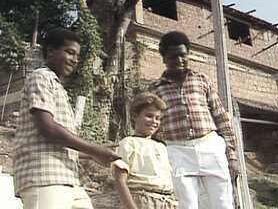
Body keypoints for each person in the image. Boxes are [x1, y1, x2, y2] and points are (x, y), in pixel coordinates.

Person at [13, 28, 120, 209]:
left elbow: (60, 143)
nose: (75, 60)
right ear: (50, 51)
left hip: (66, 177)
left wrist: (96, 153)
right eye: (70, 52)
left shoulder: (59, 88)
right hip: (43, 175)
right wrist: (93, 149)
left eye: (77, 56)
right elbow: (48, 129)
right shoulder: (41, 77)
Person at [150, 31, 238, 209]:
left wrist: (232, 156)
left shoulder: (202, 80)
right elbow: (153, 126)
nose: (180, 60)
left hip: (210, 147)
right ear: (164, 59)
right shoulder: (155, 89)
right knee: (186, 204)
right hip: (176, 151)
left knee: (223, 202)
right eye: (173, 56)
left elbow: (221, 117)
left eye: (183, 55)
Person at [112, 92, 178, 209]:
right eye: (149, 116)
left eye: (157, 118)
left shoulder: (161, 147)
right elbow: (120, 180)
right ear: (134, 116)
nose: (154, 121)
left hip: (166, 200)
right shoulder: (128, 143)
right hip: (142, 199)